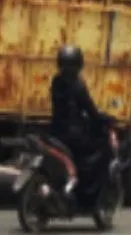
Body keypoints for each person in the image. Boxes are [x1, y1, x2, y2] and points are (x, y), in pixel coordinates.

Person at [47, 45, 114, 195]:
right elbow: (90, 109)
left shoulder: (56, 81)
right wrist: (104, 119)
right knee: (99, 147)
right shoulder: (77, 85)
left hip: (56, 131)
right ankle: (86, 188)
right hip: (73, 135)